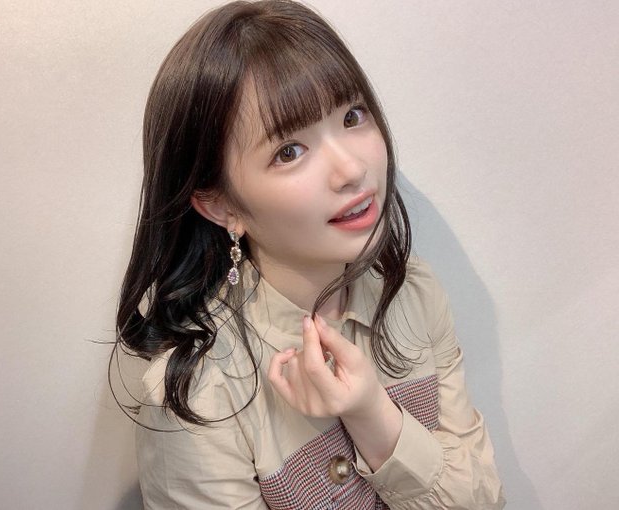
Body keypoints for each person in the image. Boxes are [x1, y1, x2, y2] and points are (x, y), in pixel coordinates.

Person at [115, 0, 505, 508]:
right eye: (289, 151)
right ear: (221, 204)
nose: (352, 170)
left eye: (352, 115)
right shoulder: (198, 396)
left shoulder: (413, 293)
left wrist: (374, 417)